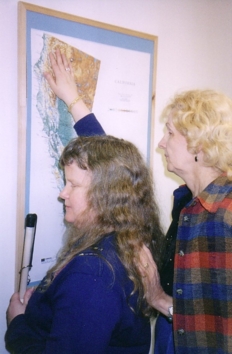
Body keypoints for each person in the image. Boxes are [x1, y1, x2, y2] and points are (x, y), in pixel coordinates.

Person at [5, 134, 164, 353]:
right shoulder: (121, 239)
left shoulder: (93, 274)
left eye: (73, 185)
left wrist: (17, 325)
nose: (63, 194)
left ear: (106, 194)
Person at [138, 89, 232, 354]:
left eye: (169, 133)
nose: (161, 143)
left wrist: (159, 300)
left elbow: (220, 328)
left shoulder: (224, 214)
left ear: (198, 145)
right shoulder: (186, 201)